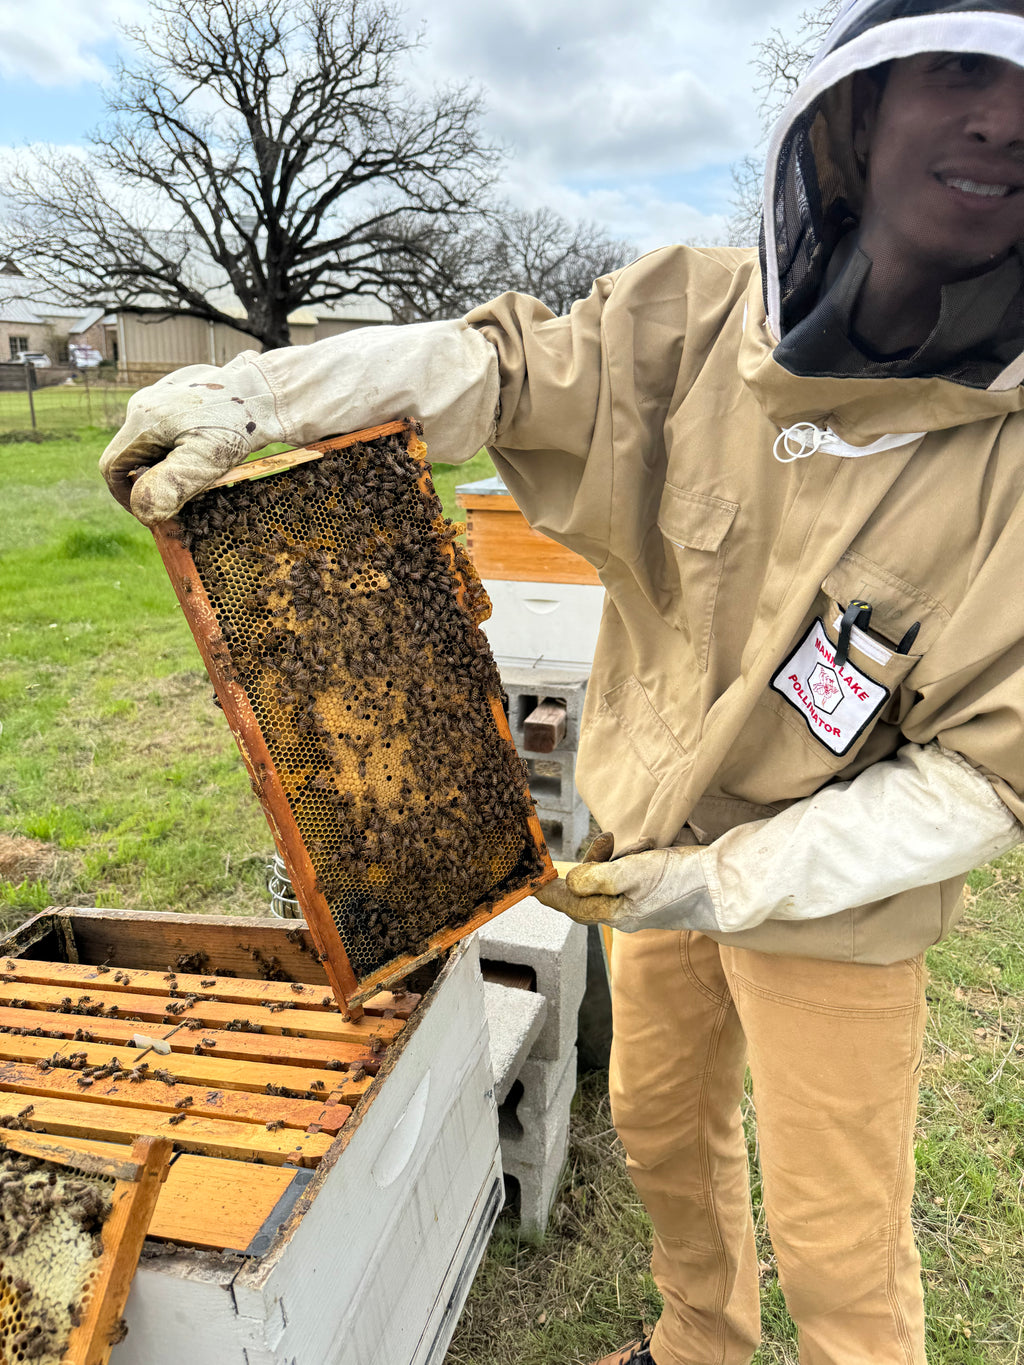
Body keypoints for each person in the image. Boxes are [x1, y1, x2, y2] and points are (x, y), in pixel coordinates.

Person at [100, 2, 1024, 1360]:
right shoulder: (697, 320)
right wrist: (278, 396)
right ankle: (701, 1339)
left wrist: (735, 879)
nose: (999, 118)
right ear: (856, 116)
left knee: (839, 1233)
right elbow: (509, 370)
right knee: (658, 1131)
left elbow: (988, 772)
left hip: (835, 904)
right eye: (956, 74)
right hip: (641, 847)